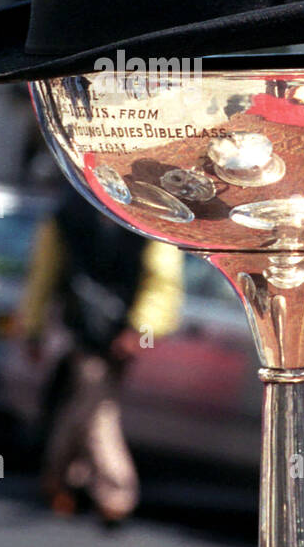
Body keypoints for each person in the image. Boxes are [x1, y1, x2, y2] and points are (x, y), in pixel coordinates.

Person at [18, 187, 183, 526]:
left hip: (102, 328)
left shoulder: (73, 208)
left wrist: (141, 328)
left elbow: (162, 279)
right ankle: (112, 492)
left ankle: (64, 478)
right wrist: (142, 328)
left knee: (87, 405)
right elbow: (44, 272)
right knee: (96, 408)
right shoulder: (139, 207)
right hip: (96, 330)